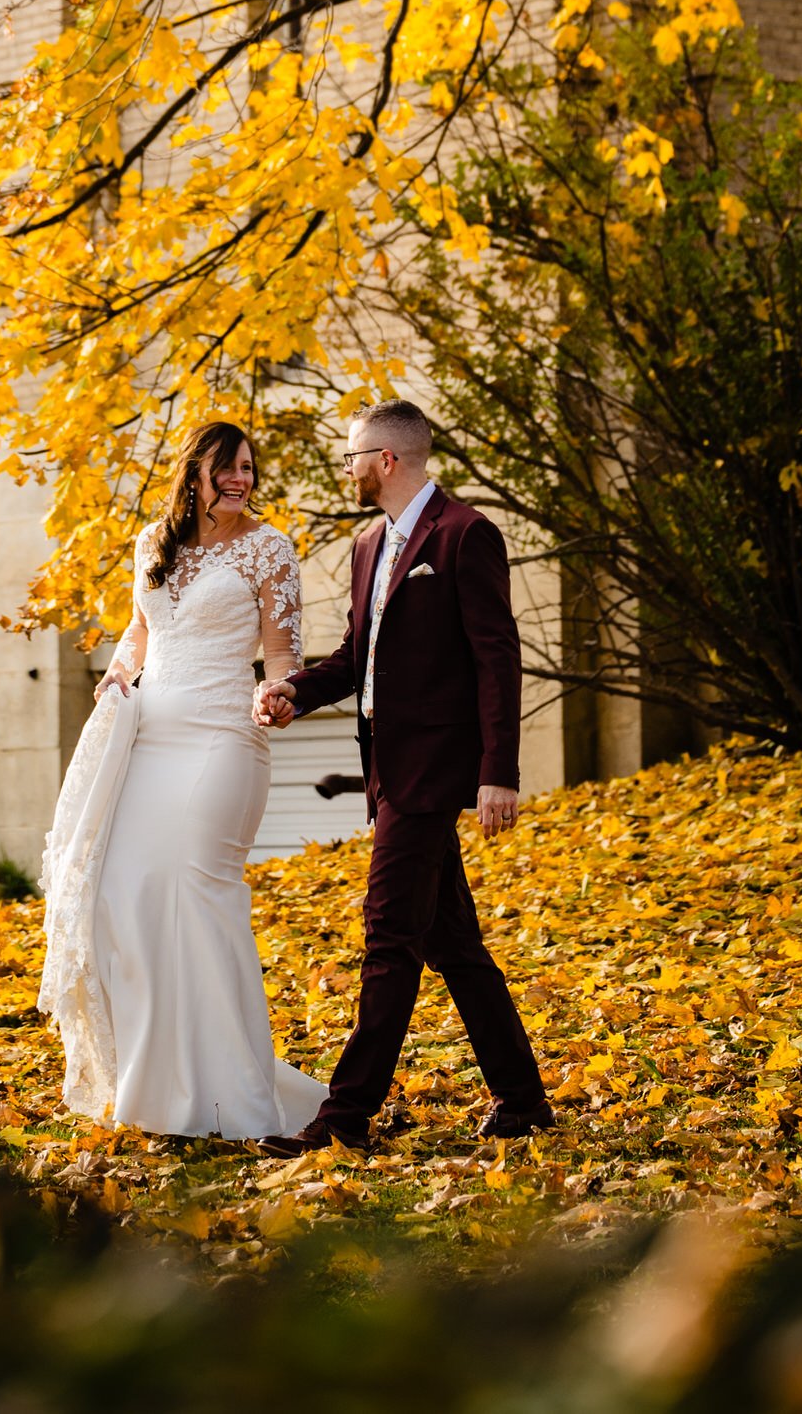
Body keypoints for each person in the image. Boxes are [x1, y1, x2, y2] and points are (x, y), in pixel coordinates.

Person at [252, 399, 551, 1154]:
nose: (346, 468)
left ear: (387, 459)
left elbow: (495, 655)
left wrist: (497, 771)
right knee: (452, 943)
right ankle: (521, 1099)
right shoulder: (367, 545)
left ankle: (343, 1118)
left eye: (352, 455)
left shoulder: (463, 534)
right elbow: (358, 658)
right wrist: (296, 692)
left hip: (431, 773)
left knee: (388, 938)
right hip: (386, 769)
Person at [38, 420, 326, 1138]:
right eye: (227, 467)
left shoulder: (268, 547)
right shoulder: (152, 543)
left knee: (199, 895)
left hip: (223, 736)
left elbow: (281, 650)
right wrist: (115, 672)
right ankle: (156, 1085)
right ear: (193, 472)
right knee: (120, 895)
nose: (240, 480)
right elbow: (139, 633)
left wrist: (279, 692)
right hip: (151, 735)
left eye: (249, 470)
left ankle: (231, 1093)